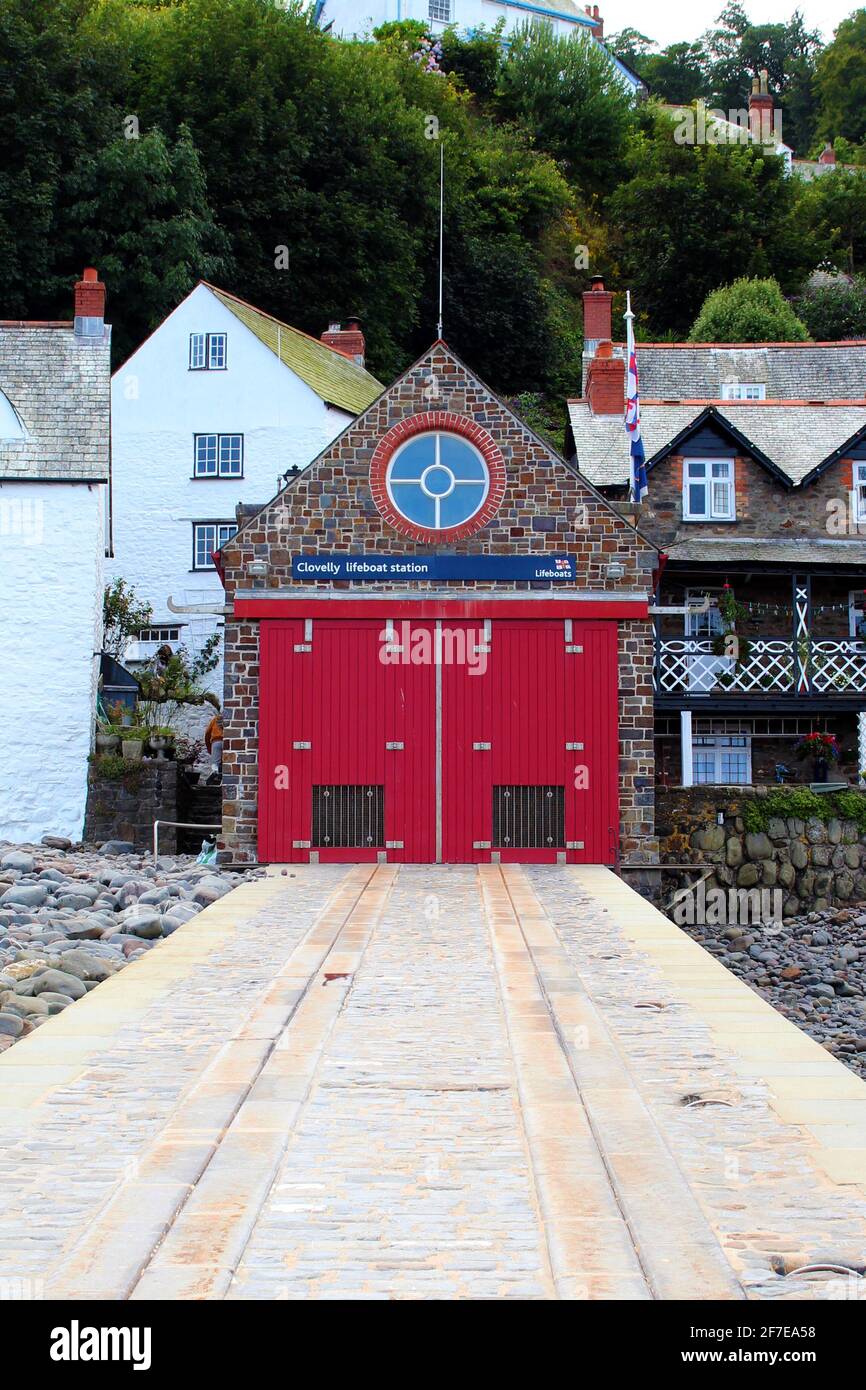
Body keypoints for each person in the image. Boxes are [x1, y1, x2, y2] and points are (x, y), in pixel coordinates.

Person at [204, 711, 223, 783]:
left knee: (215, 763)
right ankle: (223, 779)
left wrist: (209, 748)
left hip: (216, 741)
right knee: (226, 762)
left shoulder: (215, 720)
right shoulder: (229, 721)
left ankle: (215, 771)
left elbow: (207, 733)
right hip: (227, 741)